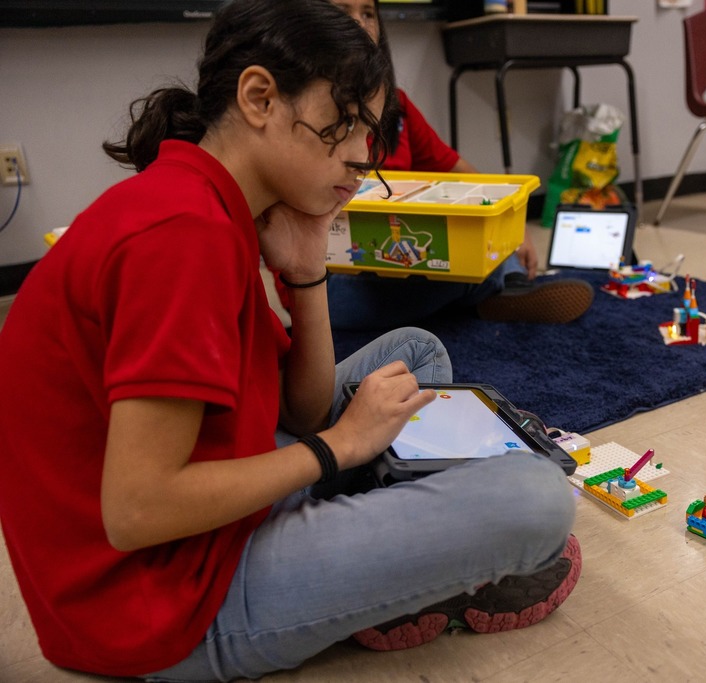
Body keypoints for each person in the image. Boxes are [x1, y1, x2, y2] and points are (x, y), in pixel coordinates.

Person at [0, 1, 579, 680]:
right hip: (165, 605)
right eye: (349, 123)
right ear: (259, 97)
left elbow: (295, 408)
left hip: (196, 529)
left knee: (415, 351)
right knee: (539, 501)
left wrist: (306, 275)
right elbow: (135, 509)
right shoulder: (184, 236)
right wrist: (338, 449)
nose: (364, 155)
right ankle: (382, 552)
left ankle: (373, 532)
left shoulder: (207, 199)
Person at [309, 0, 595, 330]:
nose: (360, 24)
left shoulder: (397, 105)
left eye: (368, 13)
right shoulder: (304, 111)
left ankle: (495, 286)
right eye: (343, 11)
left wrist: (512, 228)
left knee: (475, 252)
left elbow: (459, 169)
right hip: (331, 286)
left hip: (404, 264)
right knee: (468, 268)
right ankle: (495, 288)